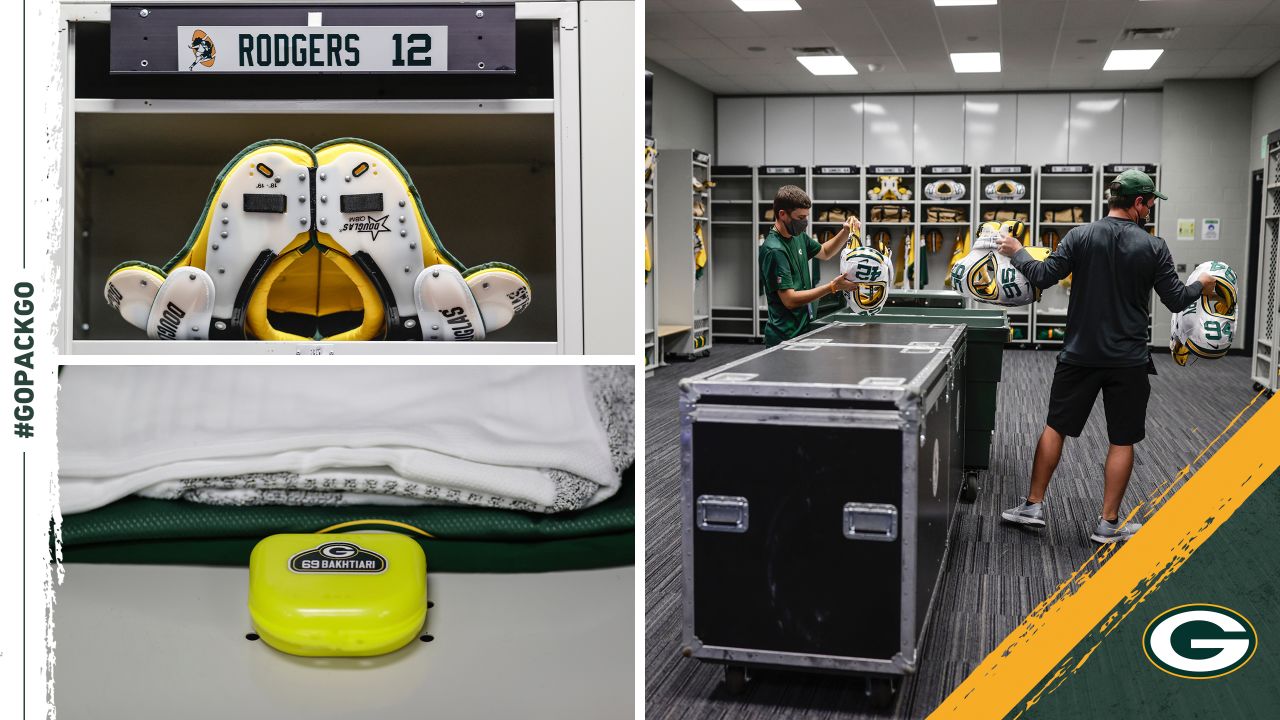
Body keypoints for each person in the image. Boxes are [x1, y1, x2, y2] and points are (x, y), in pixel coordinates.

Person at [995, 169, 1217, 544]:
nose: (1150, 210)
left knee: (1056, 427)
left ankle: (1032, 506)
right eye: (1149, 203)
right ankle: (1107, 524)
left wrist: (1017, 253)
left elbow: (1044, 276)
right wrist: (1202, 284)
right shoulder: (1154, 246)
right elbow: (1177, 299)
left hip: (1079, 354)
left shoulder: (1080, 236)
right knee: (1122, 439)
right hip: (1127, 360)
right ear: (1137, 203)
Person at [759, 186, 860, 347]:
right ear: (782, 214)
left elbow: (825, 252)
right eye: (800, 217)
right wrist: (833, 287)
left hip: (803, 329)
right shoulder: (775, 250)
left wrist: (846, 231)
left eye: (806, 217)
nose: (804, 222)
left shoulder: (797, 237)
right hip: (784, 336)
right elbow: (790, 300)